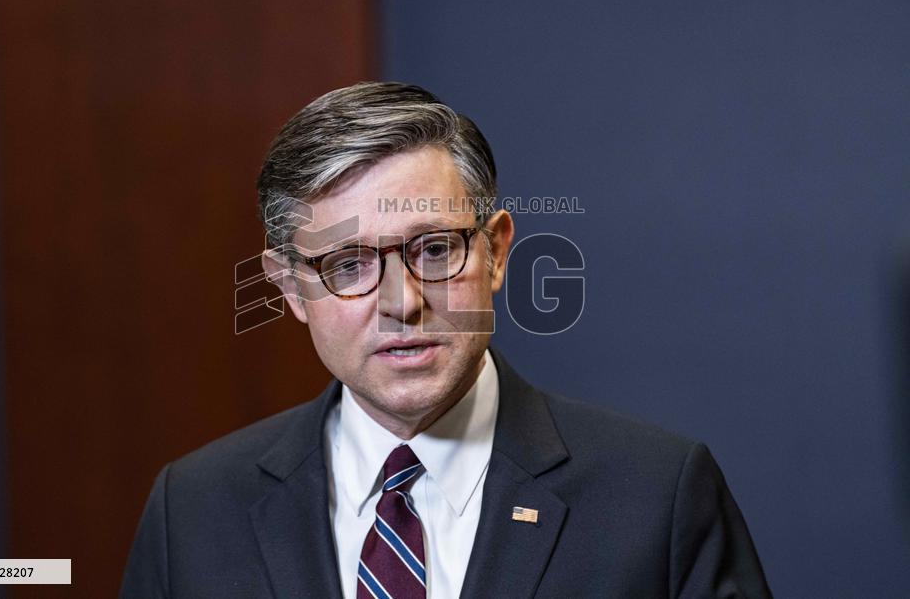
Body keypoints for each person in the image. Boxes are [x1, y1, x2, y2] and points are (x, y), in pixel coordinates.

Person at [121, 82, 772, 598]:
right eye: (347, 265)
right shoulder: (194, 511)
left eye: (434, 250)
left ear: (496, 252)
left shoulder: (656, 497)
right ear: (290, 288)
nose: (402, 303)